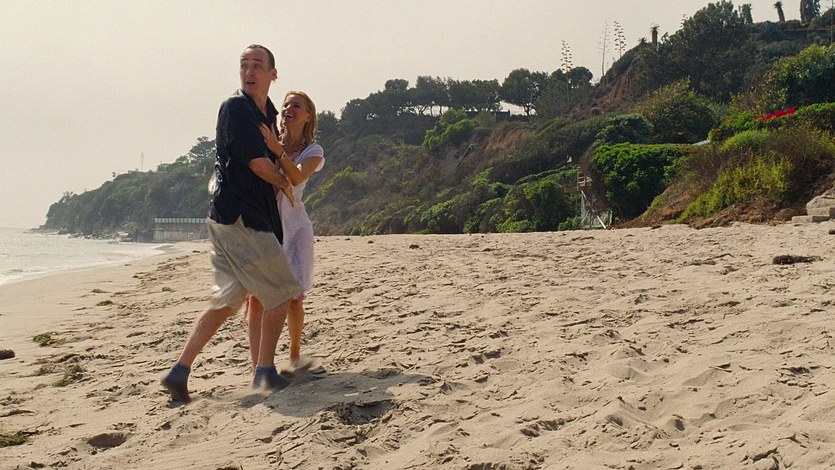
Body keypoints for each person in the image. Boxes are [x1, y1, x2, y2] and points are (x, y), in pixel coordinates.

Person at [161, 44, 301, 403]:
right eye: (244, 65)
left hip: (229, 216)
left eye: (257, 66)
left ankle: (179, 372)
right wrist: (284, 182)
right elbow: (258, 164)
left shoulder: (267, 112)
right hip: (242, 216)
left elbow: (274, 156)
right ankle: (265, 372)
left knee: (229, 298)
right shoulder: (236, 108)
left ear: (273, 74)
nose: (249, 72)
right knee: (282, 289)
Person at [247, 91, 325, 371]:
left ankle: (294, 353)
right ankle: (259, 366)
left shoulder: (313, 152)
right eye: (286, 104)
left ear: (308, 116)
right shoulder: (267, 143)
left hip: (295, 230)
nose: (288, 108)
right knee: (257, 298)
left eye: (297, 105)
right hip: (265, 227)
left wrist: (277, 150)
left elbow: (296, 176)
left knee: (293, 299)